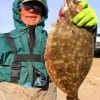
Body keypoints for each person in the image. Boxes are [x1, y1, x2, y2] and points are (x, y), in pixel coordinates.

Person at [0, 0, 98, 100]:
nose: (32, 10)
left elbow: (82, 50)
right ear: (18, 10)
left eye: (38, 7)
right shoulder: (2, 41)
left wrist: (89, 30)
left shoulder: (51, 40)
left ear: (43, 13)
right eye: (27, 5)